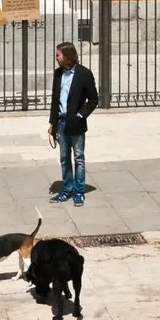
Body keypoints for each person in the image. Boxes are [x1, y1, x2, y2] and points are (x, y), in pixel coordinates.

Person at [46, 41, 98, 206]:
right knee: (64, 158)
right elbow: (55, 101)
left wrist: (80, 115)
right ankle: (66, 189)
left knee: (79, 157)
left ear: (67, 56)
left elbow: (93, 99)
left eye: (58, 55)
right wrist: (52, 123)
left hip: (76, 123)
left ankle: (78, 191)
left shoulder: (84, 74)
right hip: (60, 122)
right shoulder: (57, 74)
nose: (56, 58)